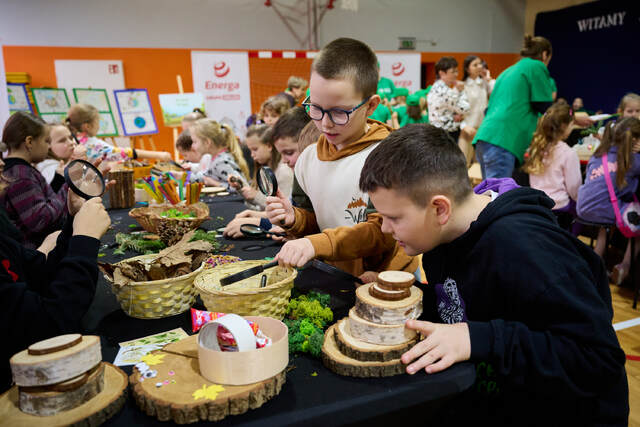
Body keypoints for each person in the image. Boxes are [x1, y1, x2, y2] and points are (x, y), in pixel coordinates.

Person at [358, 123, 628, 425]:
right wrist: (411, 299)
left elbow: (598, 359)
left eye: (394, 218)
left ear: (439, 209)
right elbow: (462, 304)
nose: (384, 229)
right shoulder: (440, 240)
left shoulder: (525, 249)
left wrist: (479, 338)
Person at [264, 37, 417, 279]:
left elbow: (381, 232)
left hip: (387, 279)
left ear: (371, 106)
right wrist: (294, 218)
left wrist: (316, 244)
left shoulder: (388, 156)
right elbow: (314, 220)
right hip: (336, 275)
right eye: (315, 108)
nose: (324, 123)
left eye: (339, 112)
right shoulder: (308, 159)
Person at [0, 145, 111, 392]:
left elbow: (41, 273)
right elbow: (50, 325)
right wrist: (85, 240)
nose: (2, 164)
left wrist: (74, 220)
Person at [472, 36, 555, 179]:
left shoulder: (508, 71)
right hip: (503, 141)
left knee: (491, 195)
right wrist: (572, 116)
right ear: (545, 54)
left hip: (485, 138)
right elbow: (545, 106)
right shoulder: (536, 66)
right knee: (500, 197)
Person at [224, 107, 312, 238]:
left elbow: (312, 226)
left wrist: (261, 223)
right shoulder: (296, 174)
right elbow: (292, 214)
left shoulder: (287, 173)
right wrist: (259, 217)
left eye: (289, 153)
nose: (284, 161)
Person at [577, 117, 640, 285]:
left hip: (583, 207)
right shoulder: (633, 160)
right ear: (635, 141)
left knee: (605, 226)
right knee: (636, 223)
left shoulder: (599, 154)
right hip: (605, 209)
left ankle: (593, 263)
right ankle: (625, 266)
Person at [0, 113, 68, 248]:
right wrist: (69, 187)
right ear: (29, 142)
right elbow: (40, 220)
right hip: (35, 254)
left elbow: (42, 201)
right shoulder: (20, 176)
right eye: (46, 141)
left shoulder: (21, 170)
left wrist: (59, 181)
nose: (49, 147)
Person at [522, 103, 580, 219]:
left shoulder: (535, 148)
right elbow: (574, 188)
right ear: (564, 126)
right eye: (572, 124)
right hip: (558, 208)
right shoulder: (568, 153)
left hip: (536, 205)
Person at [66, 104, 172, 163]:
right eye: (97, 121)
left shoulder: (71, 139)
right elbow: (122, 152)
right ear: (87, 126)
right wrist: (159, 155)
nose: (99, 125)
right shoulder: (90, 143)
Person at [229, 124, 293, 211]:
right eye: (250, 150)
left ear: (269, 146)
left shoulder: (284, 171)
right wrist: (241, 188)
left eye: (255, 149)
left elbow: (285, 209)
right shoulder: (264, 169)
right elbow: (259, 208)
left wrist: (255, 195)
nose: (252, 155)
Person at [189, 118, 250, 190]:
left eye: (195, 142)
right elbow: (206, 176)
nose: (192, 146)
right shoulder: (214, 158)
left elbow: (242, 187)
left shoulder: (221, 163)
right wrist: (183, 176)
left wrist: (214, 183)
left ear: (207, 142)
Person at [427, 56, 470, 143]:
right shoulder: (443, 90)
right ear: (442, 73)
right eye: (453, 72)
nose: (456, 74)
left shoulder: (438, 87)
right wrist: (461, 91)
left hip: (441, 131)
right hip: (445, 134)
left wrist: (456, 114)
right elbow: (465, 109)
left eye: (457, 71)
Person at [458, 55, 490, 166]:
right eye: (475, 65)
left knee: (481, 166)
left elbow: (496, 95)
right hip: (467, 130)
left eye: (480, 64)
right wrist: (464, 126)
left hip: (482, 130)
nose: (479, 66)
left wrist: (488, 79)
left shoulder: (485, 83)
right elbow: (456, 111)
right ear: (467, 69)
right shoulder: (462, 85)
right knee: (463, 165)